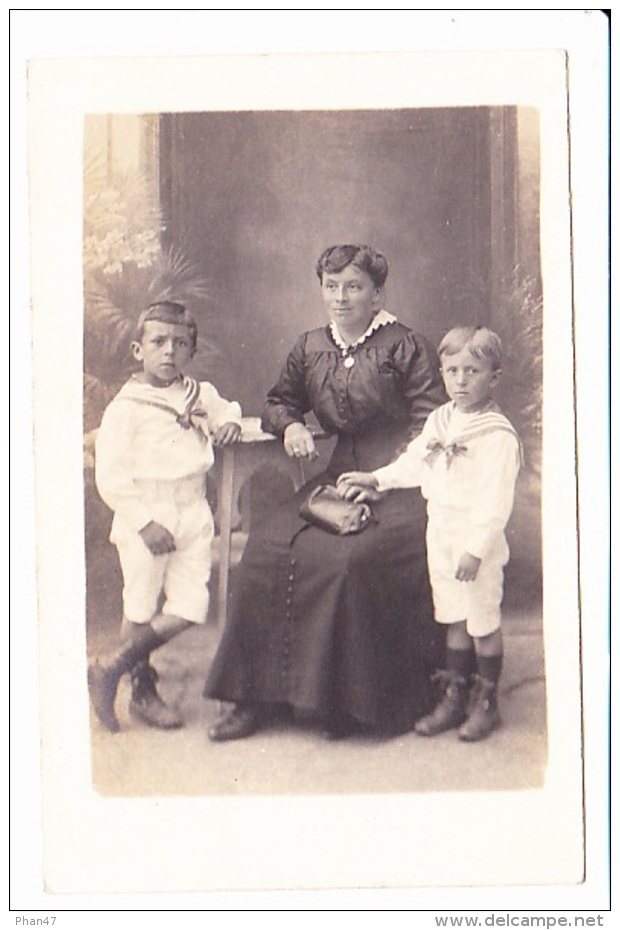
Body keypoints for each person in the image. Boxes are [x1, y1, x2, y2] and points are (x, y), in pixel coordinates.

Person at [205, 244, 447, 741]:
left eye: (354, 287)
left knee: (349, 562)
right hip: (337, 478)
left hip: (404, 484)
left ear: (377, 294)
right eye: (331, 286)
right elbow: (278, 400)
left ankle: (344, 705)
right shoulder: (312, 345)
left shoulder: (407, 346)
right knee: (265, 548)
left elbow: (432, 426)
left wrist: (384, 480)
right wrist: (290, 424)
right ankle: (254, 697)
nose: (340, 298)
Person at [337, 325, 522, 741]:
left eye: (472, 371)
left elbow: (495, 503)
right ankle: (455, 696)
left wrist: (475, 550)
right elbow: (415, 462)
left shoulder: (496, 436)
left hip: (477, 542)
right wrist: (376, 479)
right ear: (442, 372)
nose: (461, 380)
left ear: (494, 376)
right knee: (453, 615)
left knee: (482, 621)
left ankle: (488, 702)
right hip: (440, 531)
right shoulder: (441, 419)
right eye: (452, 370)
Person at [88, 300, 242, 733]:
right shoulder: (127, 407)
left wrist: (227, 422)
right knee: (140, 603)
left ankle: (109, 667)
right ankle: (141, 688)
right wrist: (143, 522)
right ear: (139, 350)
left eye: (179, 343)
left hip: (193, 508)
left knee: (191, 606)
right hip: (147, 511)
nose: (169, 351)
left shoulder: (199, 393)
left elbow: (225, 409)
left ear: (191, 350)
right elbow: (112, 476)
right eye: (158, 342)